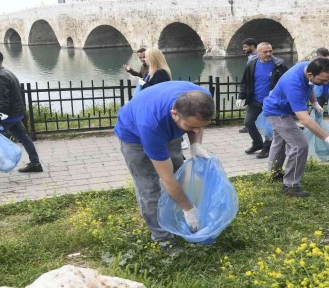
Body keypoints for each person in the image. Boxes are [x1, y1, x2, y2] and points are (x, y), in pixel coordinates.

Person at [114, 81, 214, 252]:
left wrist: (195, 144)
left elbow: (195, 125)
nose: (196, 131)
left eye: (201, 127)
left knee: (179, 173)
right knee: (150, 187)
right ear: (174, 114)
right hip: (134, 136)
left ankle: (176, 218)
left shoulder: (202, 97)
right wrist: (189, 209)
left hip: (169, 131)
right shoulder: (151, 126)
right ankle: (162, 238)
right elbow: (166, 179)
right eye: (190, 127)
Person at [262, 57, 329, 197]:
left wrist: (315, 102)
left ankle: (274, 173)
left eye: (327, 80)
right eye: (323, 81)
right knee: (299, 145)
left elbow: (310, 85)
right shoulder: (293, 84)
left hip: (282, 108)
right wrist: (328, 138)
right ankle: (291, 184)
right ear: (311, 74)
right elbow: (305, 119)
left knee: (280, 142)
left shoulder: (308, 67)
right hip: (278, 112)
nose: (325, 84)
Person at [236, 42, 288, 159]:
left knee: (269, 127)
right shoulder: (252, 64)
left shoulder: (279, 65)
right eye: (265, 52)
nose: (269, 54)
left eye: (270, 51)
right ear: (258, 52)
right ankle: (257, 143)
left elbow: (286, 82)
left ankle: (267, 148)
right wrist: (241, 96)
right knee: (248, 123)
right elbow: (245, 82)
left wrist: (277, 92)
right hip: (255, 100)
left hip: (271, 102)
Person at [238, 38, 259, 134]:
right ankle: (249, 125)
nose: (244, 49)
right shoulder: (251, 57)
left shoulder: (258, 57)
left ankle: (249, 125)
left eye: (245, 47)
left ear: (252, 46)